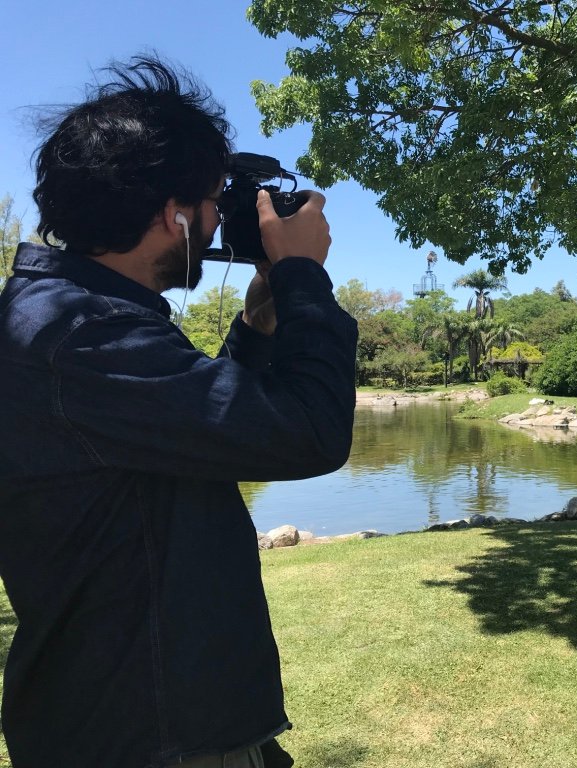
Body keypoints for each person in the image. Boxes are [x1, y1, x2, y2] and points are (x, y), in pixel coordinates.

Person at [0, 57, 357, 767]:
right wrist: (303, 277)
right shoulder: (82, 334)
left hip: (143, 718)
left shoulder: (63, 320)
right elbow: (310, 433)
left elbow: (201, 432)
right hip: (148, 735)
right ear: (176, 216)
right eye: (217, 202)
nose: (221, 221)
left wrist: (258, 325)